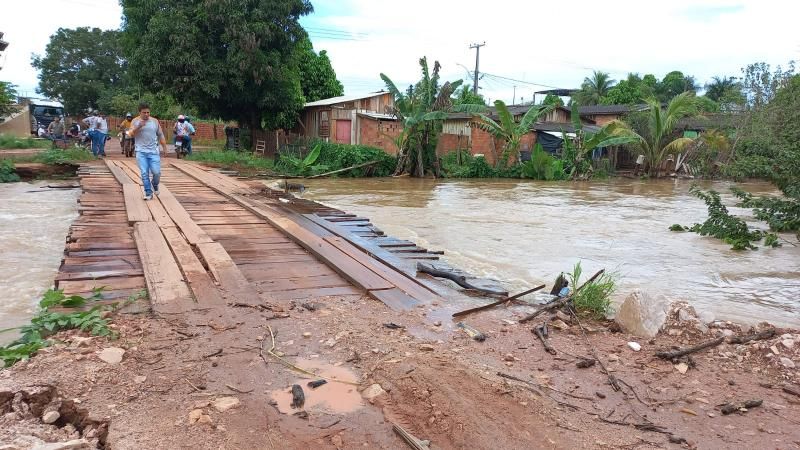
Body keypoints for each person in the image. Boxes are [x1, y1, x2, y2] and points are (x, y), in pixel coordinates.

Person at [128, 103, 167, 200]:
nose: (146, 114)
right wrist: (138, 127)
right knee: (144, 173)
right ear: (139, 112)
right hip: (141, 152)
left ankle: (155, 184)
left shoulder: (154, 121)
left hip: (153, 152)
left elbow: (160, 134)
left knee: (156, 173)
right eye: (144, 112)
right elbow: (130, 134)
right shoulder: (135, 121)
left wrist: (165, 148)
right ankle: (148, 193)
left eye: (148, 112)